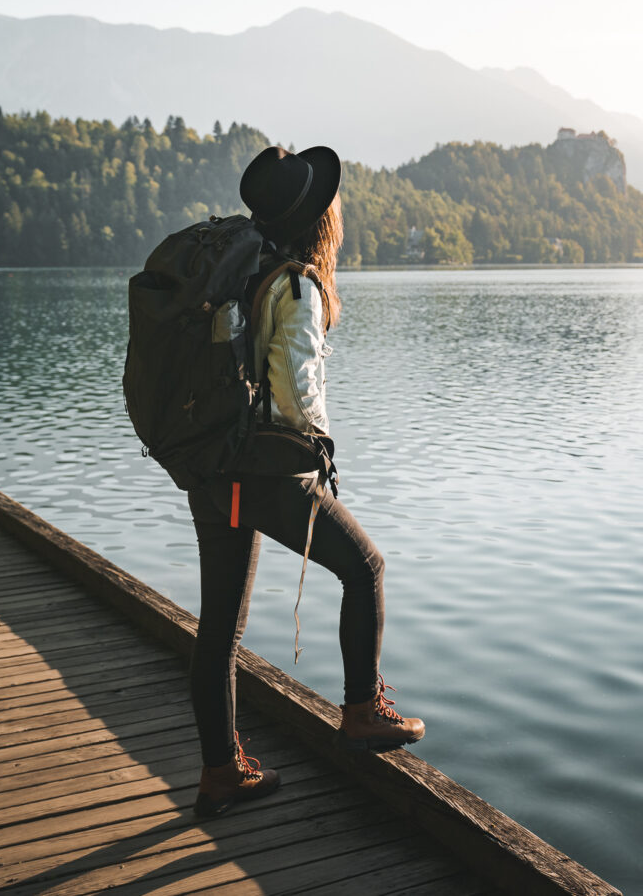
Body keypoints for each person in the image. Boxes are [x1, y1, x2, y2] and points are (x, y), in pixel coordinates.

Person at [186, 144, 425, 820]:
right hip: (263, 470)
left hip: (214, 468)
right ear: (322, 222)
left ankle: (219, 774)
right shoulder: (296, 285)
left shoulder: (244, 269)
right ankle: (360, 710)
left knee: (219, 631)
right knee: (367, 567)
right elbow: (294, 392)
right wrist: (318, 450)